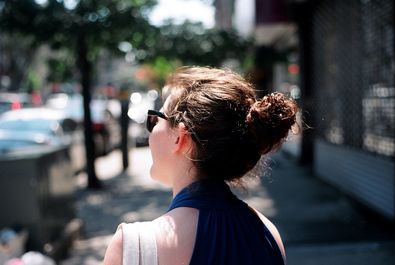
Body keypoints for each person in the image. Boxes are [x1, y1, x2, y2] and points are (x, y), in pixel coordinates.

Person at [103, 66, 299, 265]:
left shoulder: (133, 248)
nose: (151, 132)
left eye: (156, 119)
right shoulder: (268, 234)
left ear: (180, 137)